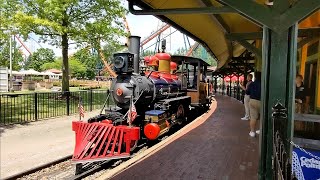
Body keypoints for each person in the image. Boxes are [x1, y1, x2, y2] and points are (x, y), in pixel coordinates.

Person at [247, 72, 261, 137]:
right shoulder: (264, 83)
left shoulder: (252, 84)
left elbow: (247, 92)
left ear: (255, 77)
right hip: (261, 101)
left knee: (253, 117)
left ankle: (252, 132)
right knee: (262, 117)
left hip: (252, 101)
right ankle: (261, 130)